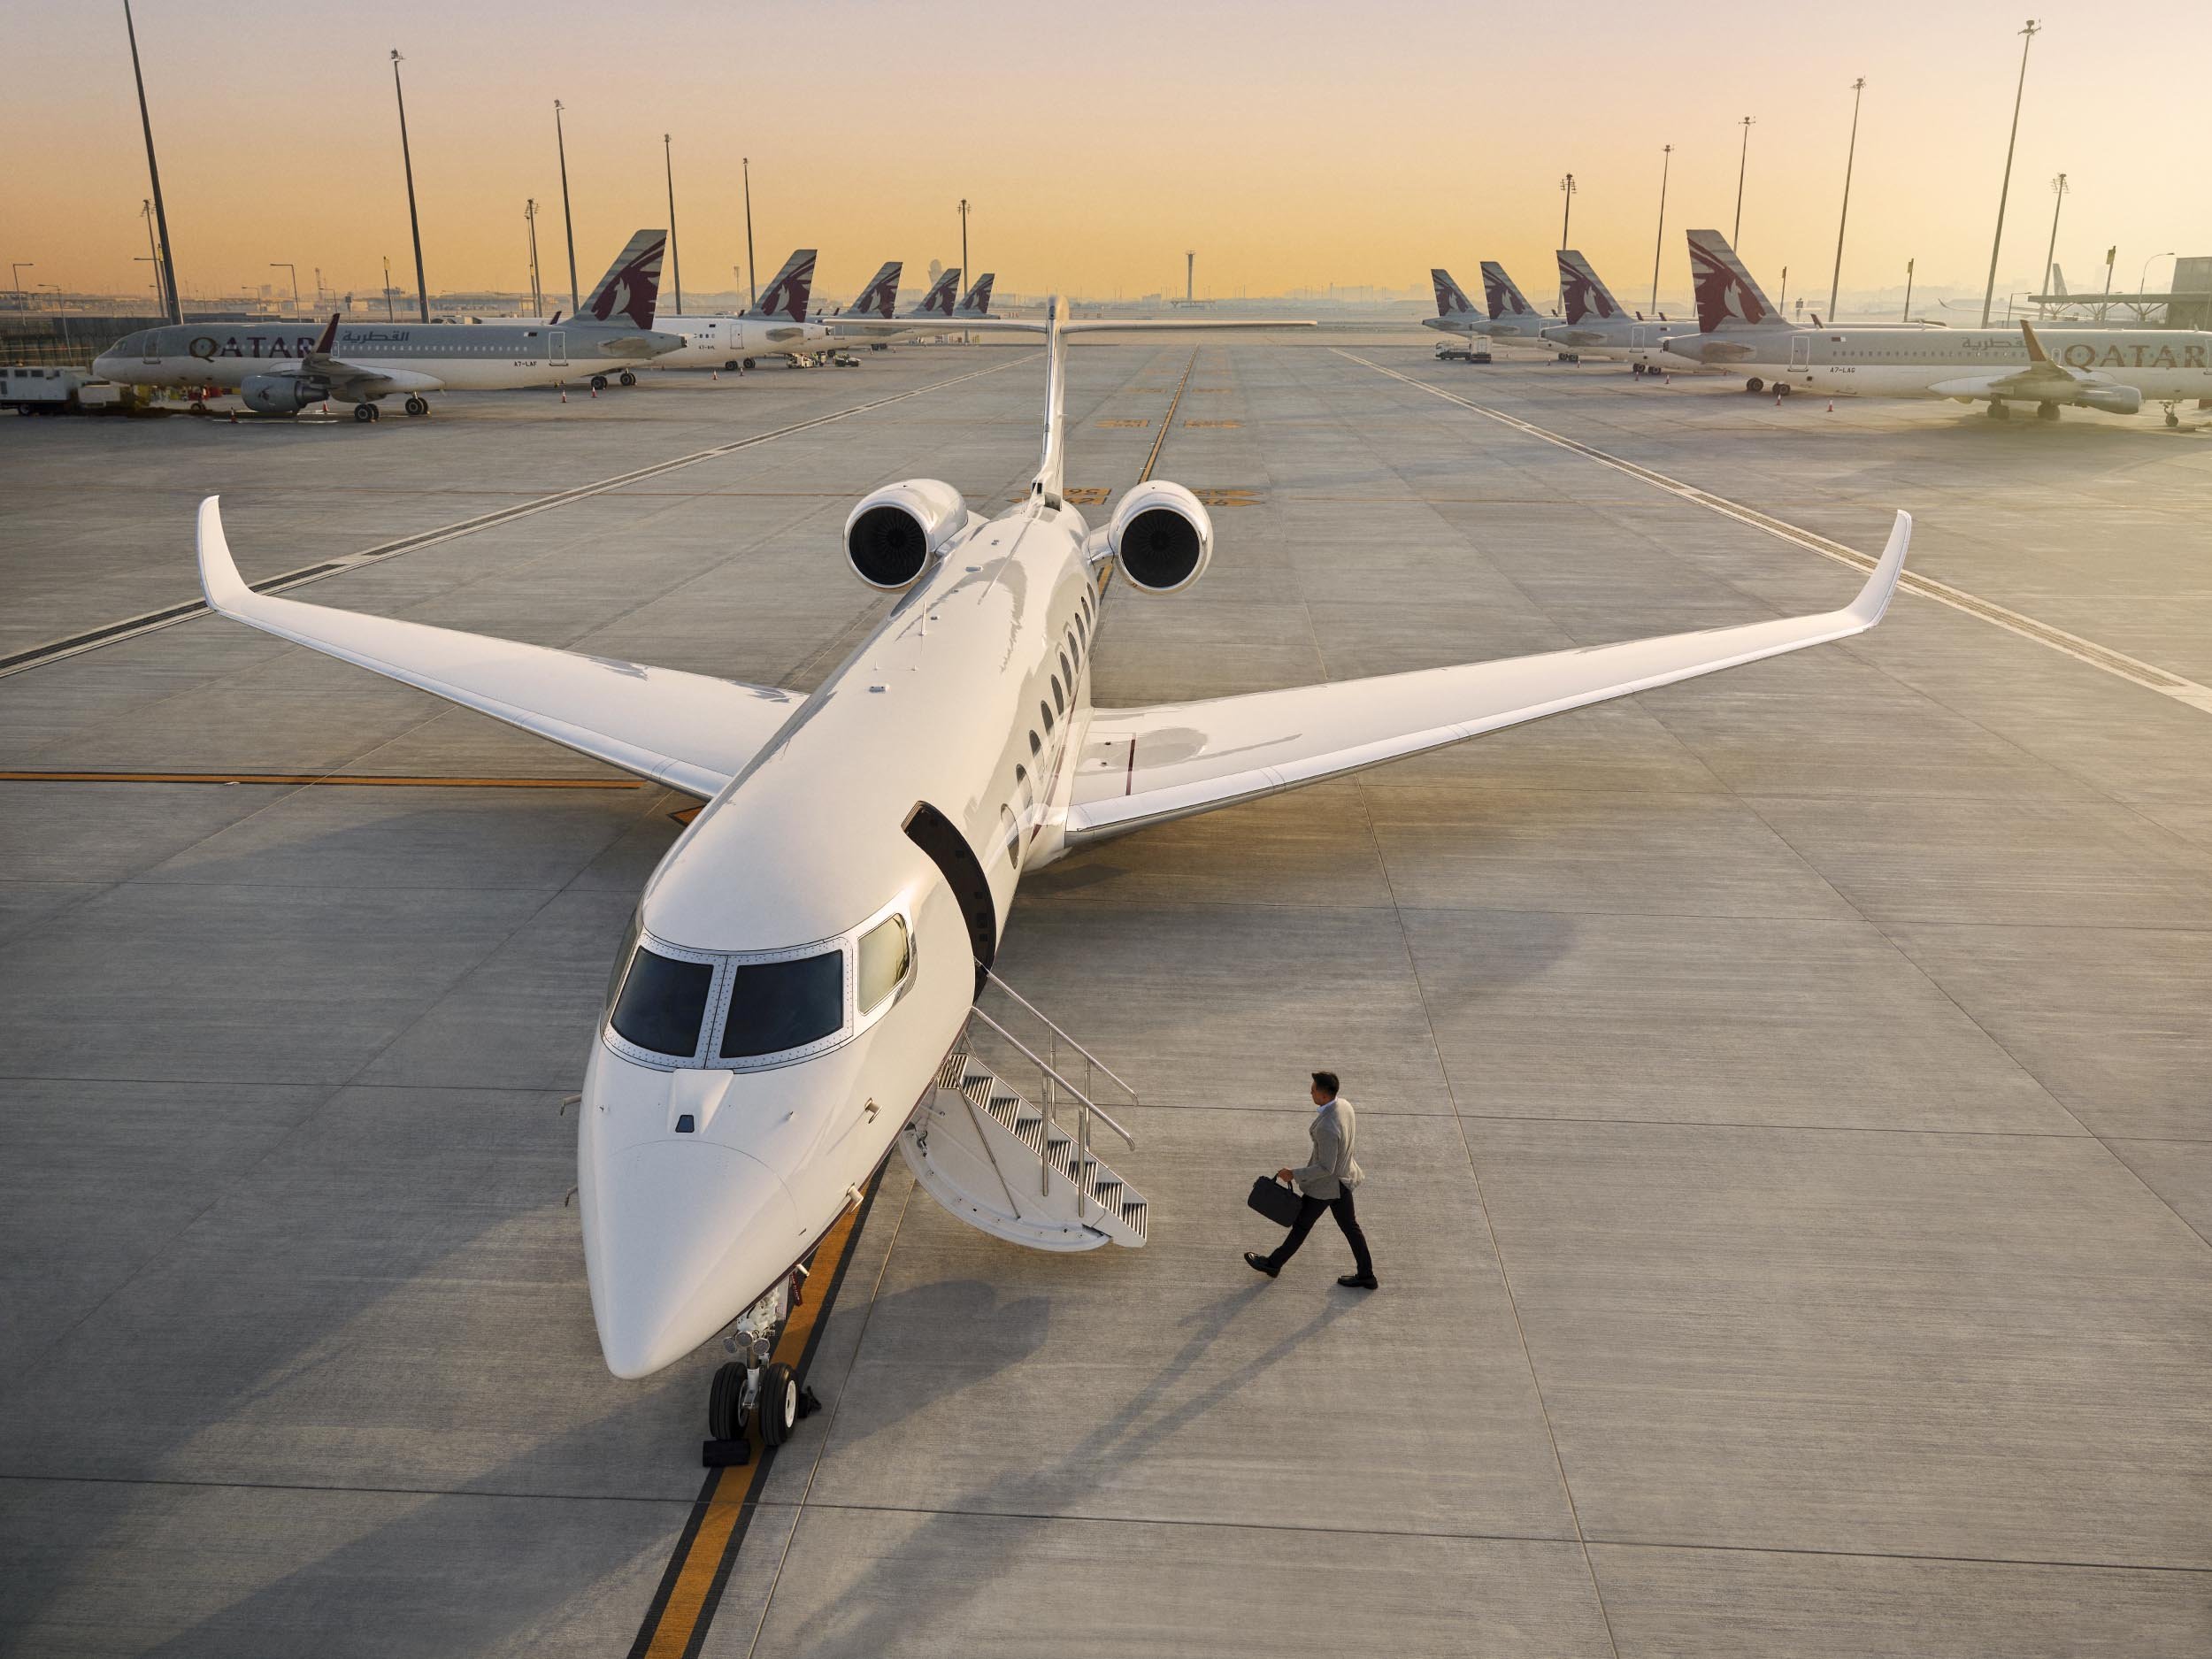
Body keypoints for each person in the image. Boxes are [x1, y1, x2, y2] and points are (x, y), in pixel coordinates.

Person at [1245, 1071, 1377, 1289]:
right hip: (1344, 1180)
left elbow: (1327, 1167)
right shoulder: (1344, 1105)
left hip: (1328, 1187)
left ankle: (1273, 1264)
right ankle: (1367, 1275)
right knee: (1350, 1227)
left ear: (1324, 1095)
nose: (1310, 1091)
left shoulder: (1327, 1126)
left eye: (1314, 1088)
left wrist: (1294, 1173)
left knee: (1301, 1226)